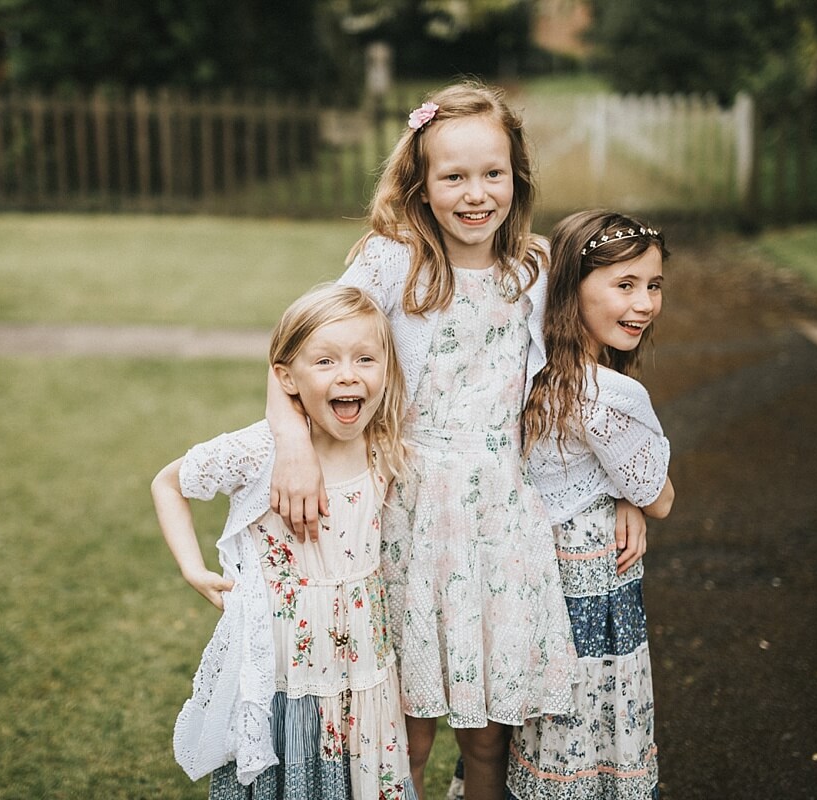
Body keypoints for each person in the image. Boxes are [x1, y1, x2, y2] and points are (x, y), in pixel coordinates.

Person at [267, 81, 589, 800]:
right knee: (403, 728)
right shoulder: (392, 263)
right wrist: (292, 442)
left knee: (487, 735)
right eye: (453, 176)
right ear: (421, 183)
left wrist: (626, 490)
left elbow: (583, 389)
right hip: (406, 519)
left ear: (517, 176)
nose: (475, 194)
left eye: (492, 174)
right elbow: (297, 353)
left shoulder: (534, 270)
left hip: (500, 526)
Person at [151, 283, 419, 799]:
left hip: (361, 661)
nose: (348, 375)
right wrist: (191, 566)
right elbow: (168, 483)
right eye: (325, 362)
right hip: (284, 668)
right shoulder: (260, 452)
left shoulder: (383, 444)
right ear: (287, 377)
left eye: (366, 358)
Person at [507, 209, 675, 800]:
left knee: (540, 720)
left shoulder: (537, 369)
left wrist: (616, 491)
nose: (645, 303)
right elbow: (659, 498)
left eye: (653, 285)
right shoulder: (611, 394)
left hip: (538, 572)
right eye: (623, 285)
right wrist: (631, 494)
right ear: (571, 289)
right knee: (593, 712)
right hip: (589, 582)